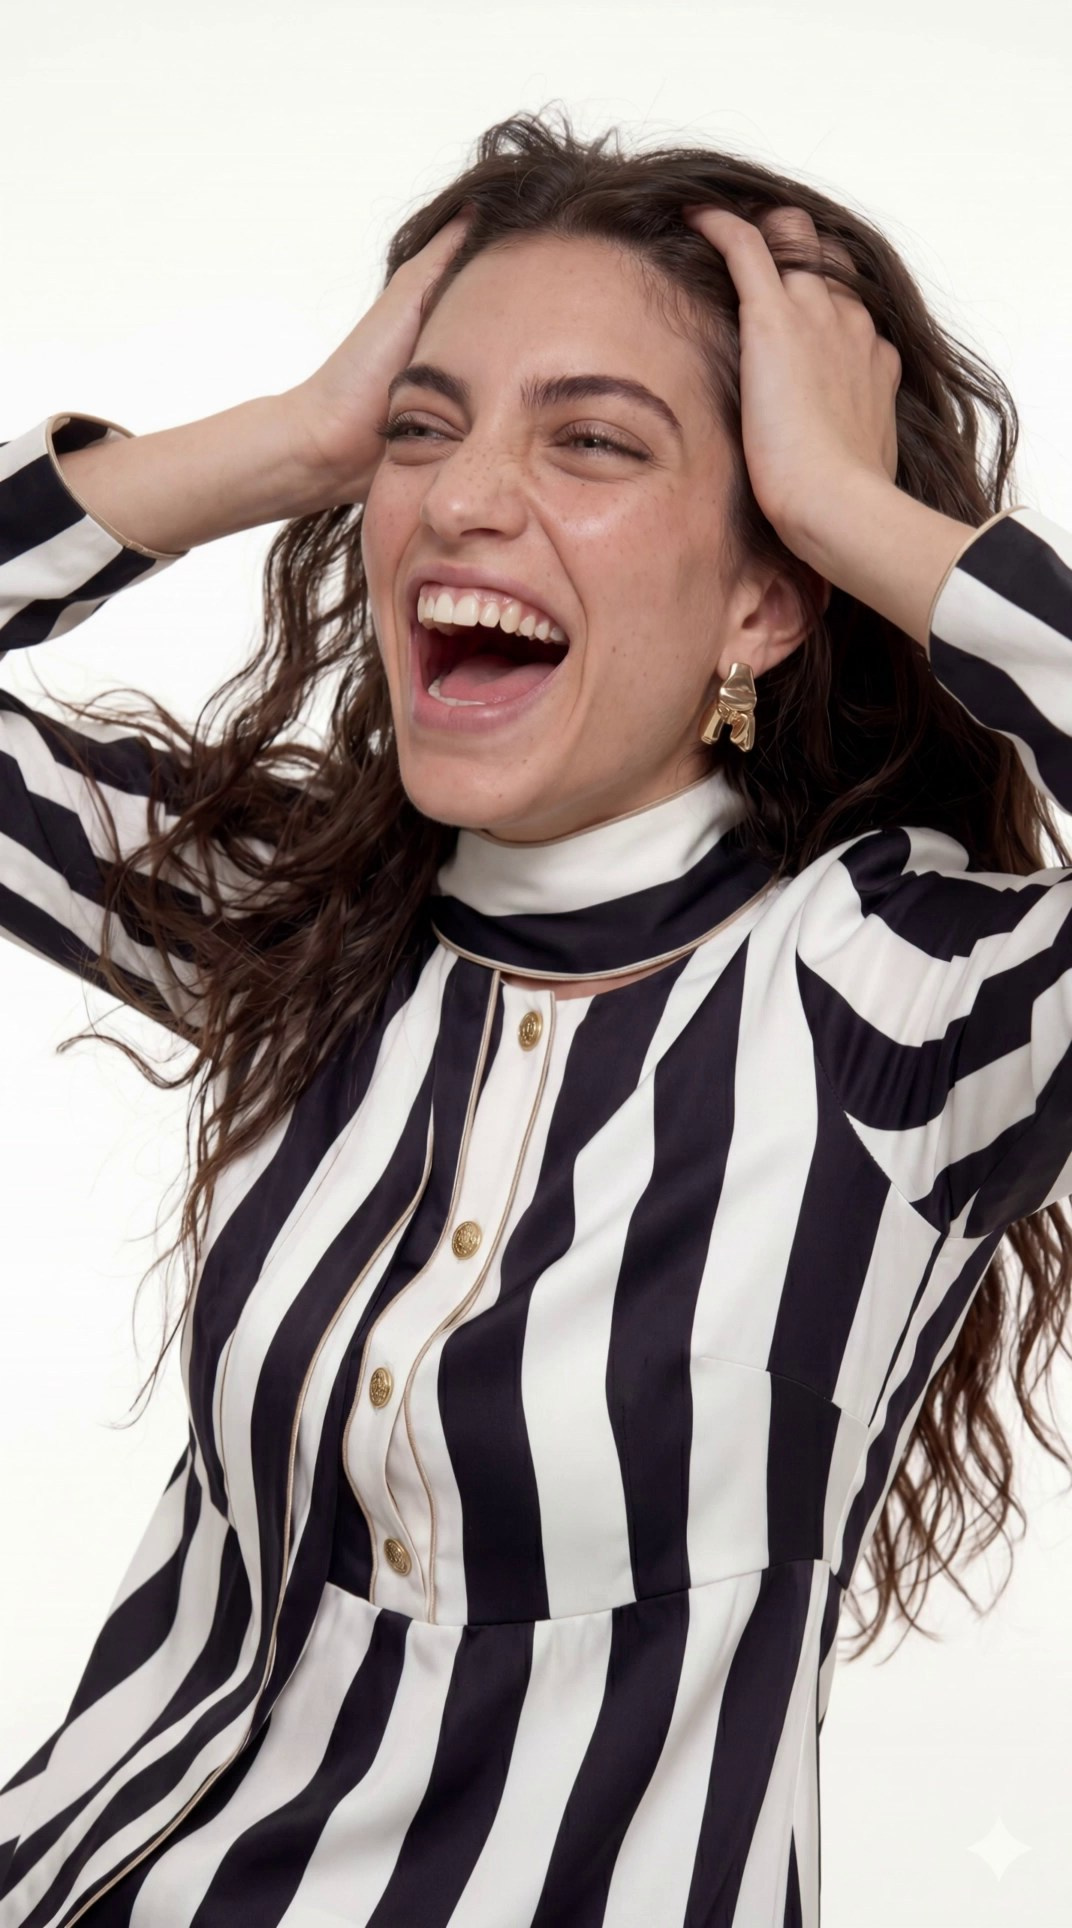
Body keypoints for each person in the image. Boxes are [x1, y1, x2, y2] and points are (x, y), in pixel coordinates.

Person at [1, 107, 1070, 1927]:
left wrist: (852, 511)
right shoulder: (302, 924)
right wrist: (294, 437)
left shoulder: (894, 1004)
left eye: (591, 440)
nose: (462, 499)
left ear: (764, 602)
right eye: (425, 428)